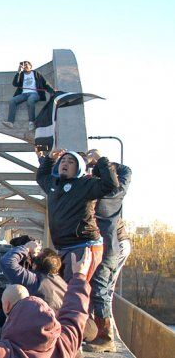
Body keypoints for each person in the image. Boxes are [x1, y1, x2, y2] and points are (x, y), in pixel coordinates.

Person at [36, 148, 117, 281]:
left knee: (74, 289)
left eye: (71, 162)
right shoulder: (54, 185)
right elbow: (41, 176)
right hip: (63, 248)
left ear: (79, 167)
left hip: (83, 246)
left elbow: (111, 184)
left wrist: (102, 160)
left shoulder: (86, 184)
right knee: (65, 291)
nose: (65, 164)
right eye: (63, 161)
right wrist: (50, 158)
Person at [85, 149, 131, 353]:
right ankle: (104, 334)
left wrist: (100, 162)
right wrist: (100, 161)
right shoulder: (117, 188)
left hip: (113, 245)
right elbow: (126, 170)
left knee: (101, 287)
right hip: (115, 243)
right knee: (104, 289)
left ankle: (106, 337)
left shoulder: (107, 193)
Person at [0, 240, 67, 312]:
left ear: (34, 266)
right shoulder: (64, 285)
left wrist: (27, 247)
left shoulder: (35, 281)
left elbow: (7, 262)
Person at [2, 61, 54, 130]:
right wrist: (18, 72)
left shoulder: (36, 74)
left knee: (30, 100)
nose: (25, 66)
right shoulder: (21, 74)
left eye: (26, 65)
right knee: (12, 101)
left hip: (34, 93)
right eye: (23, 65)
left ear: (30, 66)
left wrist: (52, 91)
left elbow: (45, 84)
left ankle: (31, 122)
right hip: (23, 94)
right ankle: (10, 122)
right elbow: (15, 84)